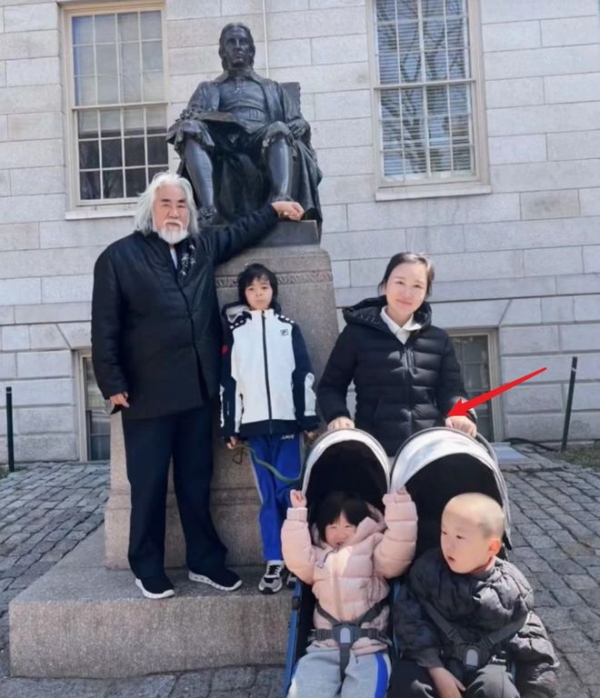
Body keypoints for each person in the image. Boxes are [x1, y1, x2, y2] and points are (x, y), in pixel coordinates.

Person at [91, 171, 304, 600]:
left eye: (181, 205)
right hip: (146, 395)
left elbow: (239, 233)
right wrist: (111, 380)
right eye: (165, 204)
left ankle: (205, 561)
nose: (174, 212)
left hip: (197, 391)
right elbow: (104, 325)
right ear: (150, 210)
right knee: (149, 486)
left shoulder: (200, 248)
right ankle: (147, 566)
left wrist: (273, 210)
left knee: (196, 482)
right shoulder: (118, 257)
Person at [389, 493, 559, 698]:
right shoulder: (427, 571)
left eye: (459, 537)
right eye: (444, 532)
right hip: (432, 660)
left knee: (496, 689)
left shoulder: (511, 590)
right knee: (408, 681)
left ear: (492, 547)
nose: (448, 544)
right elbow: (408, 621)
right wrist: (436, 669)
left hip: (487, 667)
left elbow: (538, 657)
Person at [220, 263, 319, 594]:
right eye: (251, 289)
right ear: (244, 295)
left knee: (289, 493)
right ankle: (274, 559)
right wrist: (230, 426)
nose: (258, 293)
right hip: (254, 429)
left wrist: (308, 419)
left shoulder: (288, 329)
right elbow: (229, 383)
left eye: (264, 287)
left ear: (273, 290)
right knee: (267, 496)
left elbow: (303, 375)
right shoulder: (236, 333)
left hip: (288, 426)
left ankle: (296, 558)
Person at [317, 252, 476, 457]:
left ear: (426, 293)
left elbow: (453, 390)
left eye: (417, 286)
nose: (407, 293)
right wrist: (338, 416)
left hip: (428, 452)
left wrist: (461, 414)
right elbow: (330, 386)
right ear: (385, 285)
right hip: (375, 452)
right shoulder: (355, 335)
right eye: (400, 282)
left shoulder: (438, 339)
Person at [167, 22, 322, 226]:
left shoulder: (272, 88)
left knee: (279, 128)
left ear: (251, 50)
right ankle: (208, 209)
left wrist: (302, 124)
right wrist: (191, 120)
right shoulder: (207, 88)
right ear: (223, 51)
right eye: (231, 42)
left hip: (260, 138)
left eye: (243, 42)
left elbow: (296, 120)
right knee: (189, 128)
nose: (238, 46)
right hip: (222, 141)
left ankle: (282, 199)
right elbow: (191, 119)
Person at [282, 489, 418, 698]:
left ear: (361, 525)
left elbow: (397, 554)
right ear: (322, 528)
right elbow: (295, 557)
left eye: (348, 526)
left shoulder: (373, 548)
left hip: (368, 647)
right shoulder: (317, 555)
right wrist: (298, 515)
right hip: (324, 647)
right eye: (333, 526)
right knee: (305, 691)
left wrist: (400, 509)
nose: (341, 533)